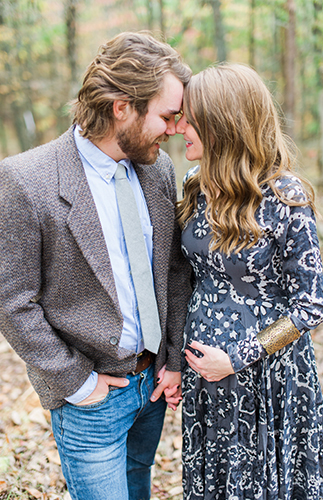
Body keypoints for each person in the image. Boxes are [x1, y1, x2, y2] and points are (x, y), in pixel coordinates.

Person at [0, 32, 192, 500]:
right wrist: (76, 383)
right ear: (121, 106)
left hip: (152, 386)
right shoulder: (25, 180)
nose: (173, 130)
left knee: (138, 486)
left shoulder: (158, 170)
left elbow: (172, 270)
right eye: (166, 117)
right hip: (91, 401)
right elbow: (11, 299)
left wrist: (171, 357)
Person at [175, 63, 323, 499]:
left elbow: (311, 304)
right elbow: (184, 275)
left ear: (223, 124)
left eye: (191, 119)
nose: (180, 126)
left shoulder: (286, 198)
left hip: (269, 378)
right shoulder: (193, 186)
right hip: (205, 377)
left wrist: (238, 357)